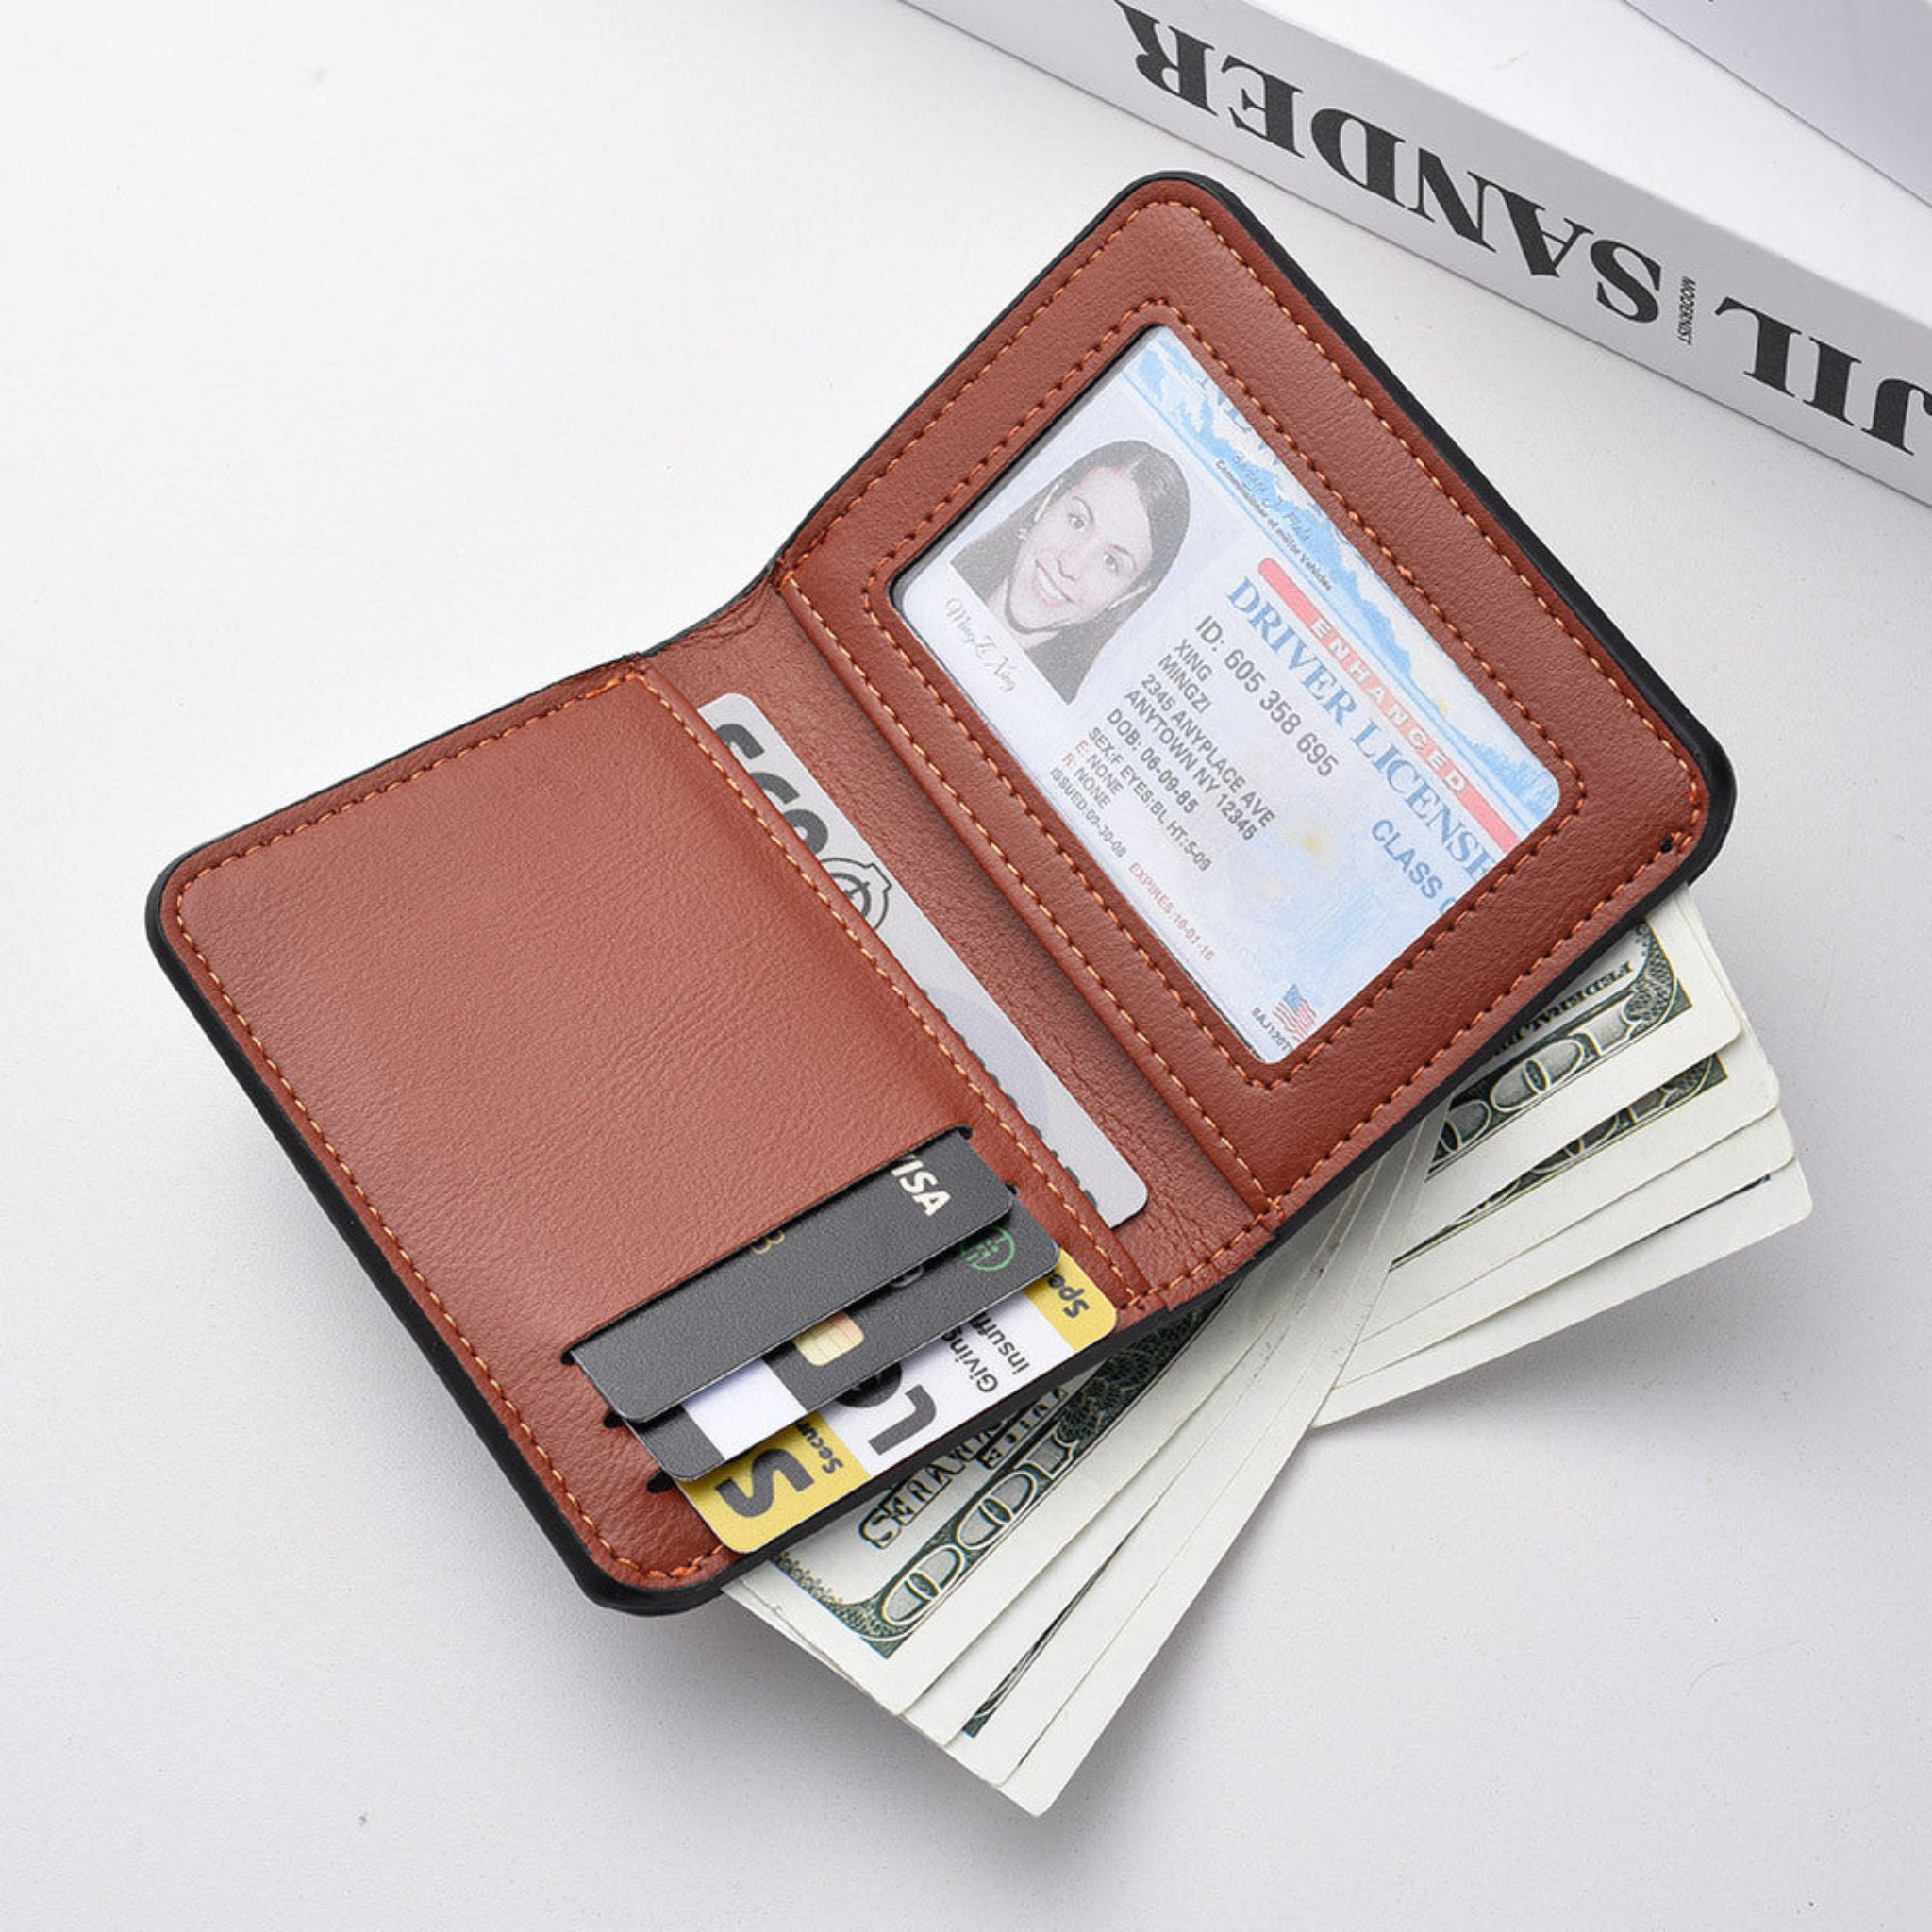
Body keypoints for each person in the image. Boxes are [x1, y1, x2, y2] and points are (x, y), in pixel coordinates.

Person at [953, 438, 1191, 701]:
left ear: (1129, 593)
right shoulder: (931, 569)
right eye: (1077, 521)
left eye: (1110, 562)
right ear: (1049, 502)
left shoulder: (1053, 720)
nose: (1070, 566)